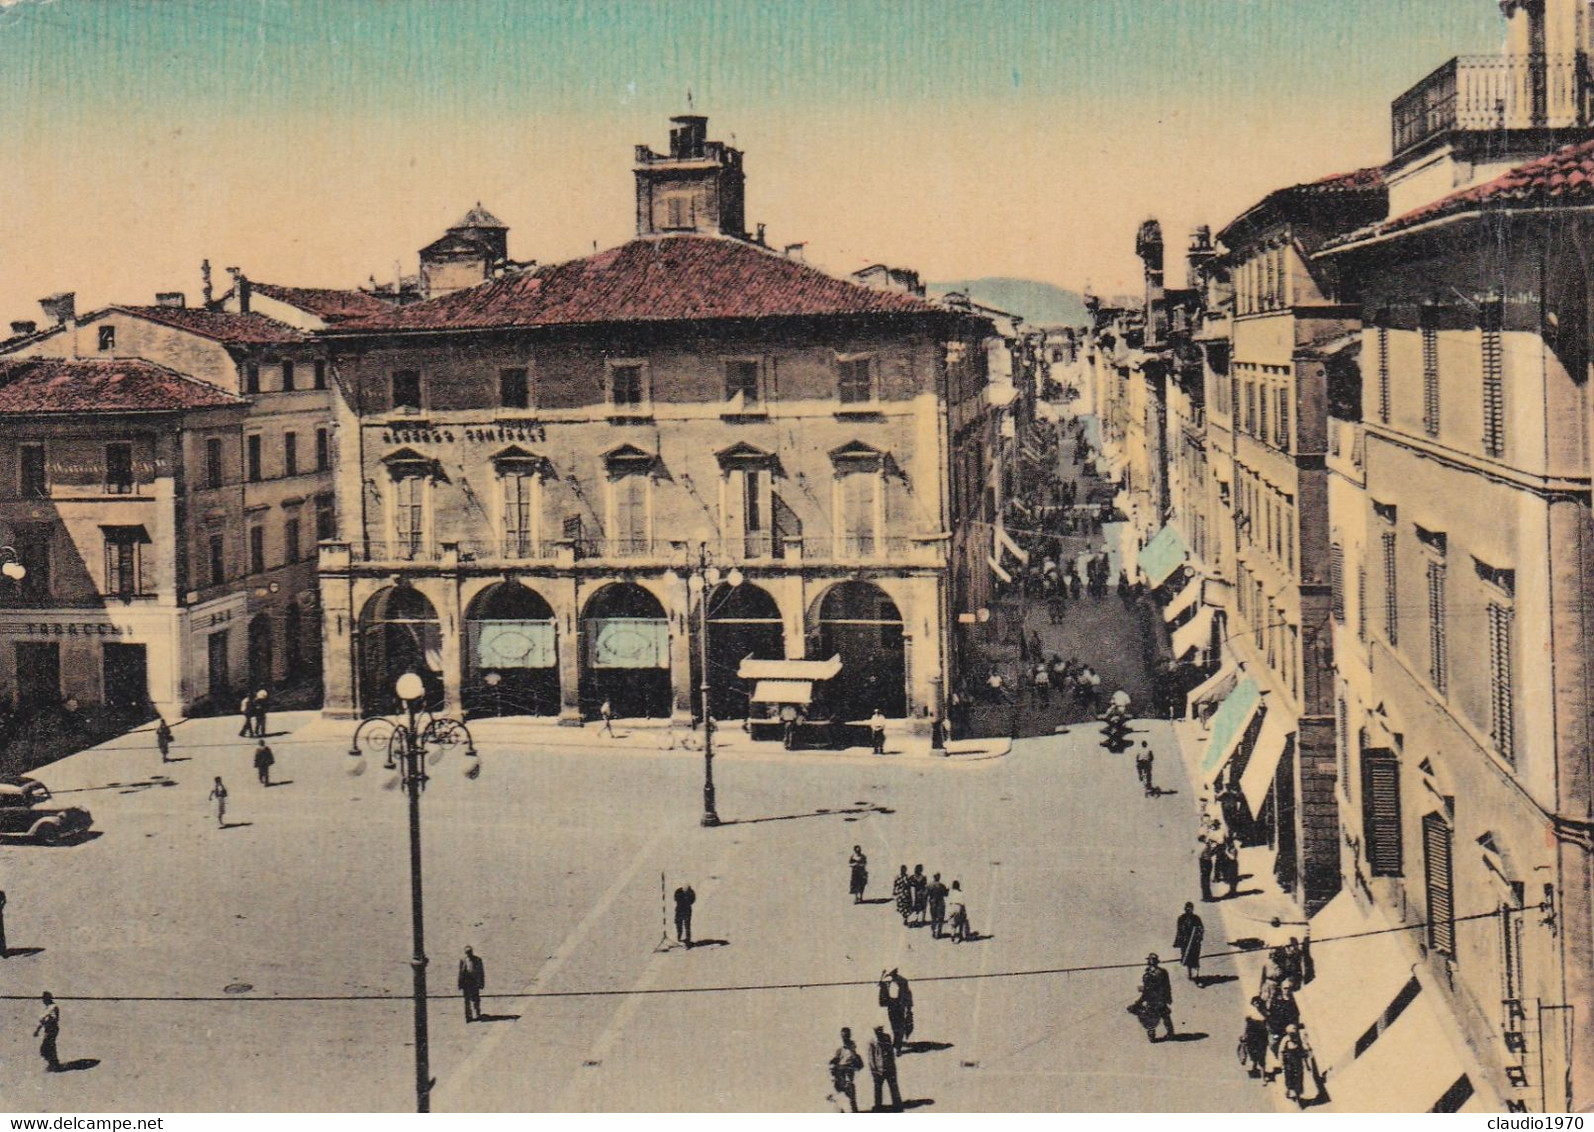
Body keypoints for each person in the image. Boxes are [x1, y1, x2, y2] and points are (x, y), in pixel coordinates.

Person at [1132, 953, 1175, 1042]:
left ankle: (1152, 1037)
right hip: (1161, 998)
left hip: (1152, 1000)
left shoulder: (1148, 975)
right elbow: (1167, 986)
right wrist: (1168, 997)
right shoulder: (1163, 972)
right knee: (1165, 1015)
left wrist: (1140, 1000)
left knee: (1150, 1017)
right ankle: (1170, 1033)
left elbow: (1148, 990)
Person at [877, 969, 914, 1054]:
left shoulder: (903, 981)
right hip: (891, 1007)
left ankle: (898, 1047)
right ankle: (897, 1042)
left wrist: (909, 1008)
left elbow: (908, 994)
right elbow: (884, 993)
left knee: (900, 1027)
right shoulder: (888, 982)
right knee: (894, 1026)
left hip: (899, 1007)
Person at [828, 1027, 864, 1113]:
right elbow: (834, 1061)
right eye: (843, 1036)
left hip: (848, 1072)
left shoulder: (852, 1047)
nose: (844, 1038)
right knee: (841, 1093)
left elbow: (856, 1060)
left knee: (850, 1092)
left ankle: (853, 1111)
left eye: (846, 1036)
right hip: (840, 1072)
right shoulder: (840, 1048)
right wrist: (833, 1071)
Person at [866, 1025, 902, 1112]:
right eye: (877, 1030)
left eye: (881, 1030)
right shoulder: (872, 1041)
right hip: (878, 1070)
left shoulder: (887, 1038)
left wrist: (892, 1064)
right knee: (878, 1090)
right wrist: (874, 1070)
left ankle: (897, 1106)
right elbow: (871, 1058)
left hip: (889, 1068)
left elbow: (890, 1052)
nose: (879, 1032)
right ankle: (878, 1107)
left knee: (893, 1087)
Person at [1279, 1023, 1315, 1106]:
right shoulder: (1285, 1040)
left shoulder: (1299, 1040)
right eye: (1291, 1034)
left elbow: (1304, 1053)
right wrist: (1281, 1063)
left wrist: (1308, 1065)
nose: (1293, 1035)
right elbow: (1281, 1052)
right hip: (1288, 1065)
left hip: (1298, 1065)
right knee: (1289, 1080)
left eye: (1294, 1033)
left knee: (1298, 1082)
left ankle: (1299, 1099)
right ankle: (1288, 1091)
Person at [1172, 902, 1204, 983]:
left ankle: (1196, 975)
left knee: (1195, 958)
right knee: (1187, 958)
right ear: (1185, 909)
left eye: (1190, 909)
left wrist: (1198, 937)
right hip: (1185, 942)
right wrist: (1178, 941)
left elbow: (1201, 929)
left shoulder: (1196, 918)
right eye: (1187, 909)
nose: (1189, 910)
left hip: (1194, 943)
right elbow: (1179, 930)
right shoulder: (1181, 918)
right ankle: (1189, 974)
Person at [1240, 996, 1271, 1079]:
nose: (1257, 1005)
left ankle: (1263, 1077)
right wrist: (1244, 1035)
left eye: (1258, 1003)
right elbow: (1246, 1026)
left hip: (1261, 1037)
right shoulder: (1250, 1013)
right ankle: (1254, 1069)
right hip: (1251, 1037)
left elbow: (1268, 1026)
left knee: (1262, 1057)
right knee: (1253, 1054)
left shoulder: (1265, 1013)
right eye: (1255, 1003)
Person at [458, 946, 485, 1022]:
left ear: (472, 952)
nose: (468, 954)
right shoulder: (463, 960)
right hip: (466, 983)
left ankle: (477, 1014)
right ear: (465, 953)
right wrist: (460, 984)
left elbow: (481, 972)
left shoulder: (478, 960)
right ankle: (468, 1016)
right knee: (466, 1000)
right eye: (467, 952)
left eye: (470, 952)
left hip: (474, 982)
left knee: (476, 999)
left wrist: (481, 983)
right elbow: (460, 973)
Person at [34, 992, 61, 1071]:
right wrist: (38, 1030)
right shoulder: (48, 1007)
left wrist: (38, 1029)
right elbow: (43, 1020)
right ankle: (54, 1064)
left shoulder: (53, 1007)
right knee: (49, 1046)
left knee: (46, 1047)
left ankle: (53, 1064)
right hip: (48, 1029)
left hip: (52, 1029)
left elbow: (51, 1019)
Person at [926, 873, 949, 939]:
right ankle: (938, 932)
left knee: (933, 918)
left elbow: (926, 894)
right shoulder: (942, 885)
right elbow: (946, 894)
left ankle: (933, 931)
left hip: (932, 902)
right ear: (939, 877)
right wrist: (947, 890)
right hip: (940, 902)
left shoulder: (929, 885)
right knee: (940, 918)